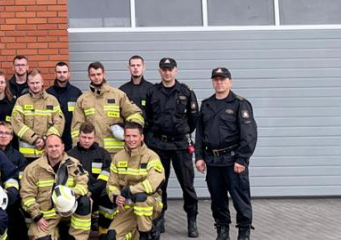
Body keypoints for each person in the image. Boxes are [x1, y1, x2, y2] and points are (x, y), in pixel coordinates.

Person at [194, 68, 257, 240]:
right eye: (216, 79)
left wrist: (242, 159)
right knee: (217, 199)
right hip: (213, 161)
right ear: (212, 82)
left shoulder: (240, 104)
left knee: (240, 198)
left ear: (230, 81)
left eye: (223, 79)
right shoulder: (206, 105)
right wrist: (199, 157)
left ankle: (244, 231)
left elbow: (249, 134)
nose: (219, 82)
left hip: (233, 161)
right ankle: (222, 231)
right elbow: (200, 134)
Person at [146, 57, 201, 238]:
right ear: (159, 71)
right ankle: (159, 218)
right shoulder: (152, 92)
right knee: (159, 184)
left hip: (180, 145)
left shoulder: (186, 92)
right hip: (159, 146)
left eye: (170, 69)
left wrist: (182, 132)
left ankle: (192, 220)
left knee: (187, 185)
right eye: (164, 69)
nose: (167, 72)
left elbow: (193, 119)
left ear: (175, 71)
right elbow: (148, 118)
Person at [19, 134, 92, 240]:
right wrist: (37, 216)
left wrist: (72, 193)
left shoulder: (74, 164)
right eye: (50, 146)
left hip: (70, 211)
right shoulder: (33, 169)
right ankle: (54, 233)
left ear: (63, 147)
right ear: (45, 148)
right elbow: (27, 196)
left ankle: (77, 237)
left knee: (85, 201)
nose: (54, 149)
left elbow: (83, 182)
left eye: (57, 146)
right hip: (46, 216)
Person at [105, 123, 164, 240]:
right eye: (128, 136)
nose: (131, 139)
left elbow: (153, 183)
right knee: (111, 237)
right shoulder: (118, 157)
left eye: (134, 136)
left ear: (142, 137)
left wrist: (130, 190)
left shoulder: (152, 157)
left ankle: (146, 234)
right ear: (124, 137)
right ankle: (137, 232)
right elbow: (112, 184)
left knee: (141, 198)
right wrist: (116, 196)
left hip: (150, 204)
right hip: (128, 206)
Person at [72, 62, 144, 154]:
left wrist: (128, 130)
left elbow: (135, 114)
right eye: (93, 75)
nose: (96, 77)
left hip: (116, 153)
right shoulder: (83, 100)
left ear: (104, 74)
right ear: (88, 76)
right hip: (92, 151)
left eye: (99, 74)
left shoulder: (118, 95)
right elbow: (76, 128)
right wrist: (78, 150)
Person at [67, 124, 115, 236]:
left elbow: (106, 177)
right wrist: (82, 192)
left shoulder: (103, 154)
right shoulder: (70, 155)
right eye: (84, 137)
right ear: (78, 136)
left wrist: (91, 191)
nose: (86, 141)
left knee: (108, 194)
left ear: (95, 137)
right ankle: (79, 233)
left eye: (90, 138)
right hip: (78, 194)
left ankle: (104, 230)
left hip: (98, 192)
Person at [11, 71, 65, 160]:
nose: (35, 86)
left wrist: (45, 139)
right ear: (28, 83)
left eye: (37, 82)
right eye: (32, 83)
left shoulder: (52, 101)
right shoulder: (21, 101)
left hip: (47, 154)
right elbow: (16, 123)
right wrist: (34, 139)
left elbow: (59, 123)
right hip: (26, 155)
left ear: (42, 82)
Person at [0, 121, 28, 240]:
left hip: (12, 202)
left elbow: (22, 181)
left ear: (11, 137)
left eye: (7, 133)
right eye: (0, 133)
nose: (3, 136)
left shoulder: (18, 157)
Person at [46, 62, 82, 141]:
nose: (62, 74)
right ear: (55, 74)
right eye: (59, 72)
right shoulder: (48, 93)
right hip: (53, 136)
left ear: (69, 74)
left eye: (64, 72)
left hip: (71, 136)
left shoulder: (76, 92)